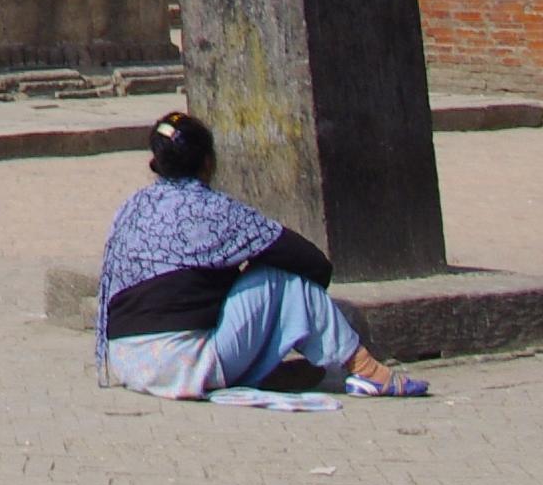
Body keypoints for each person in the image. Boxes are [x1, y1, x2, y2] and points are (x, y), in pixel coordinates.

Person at [95, 109, 424, 400]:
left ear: (157, 162)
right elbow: (314, 265)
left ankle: (253, 366)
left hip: (126, 361)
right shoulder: (218, 211)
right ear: (208, 162)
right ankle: (365, 370)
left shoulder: (131, 208)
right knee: (281, 279)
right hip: (183, 364)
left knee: (236, 287)